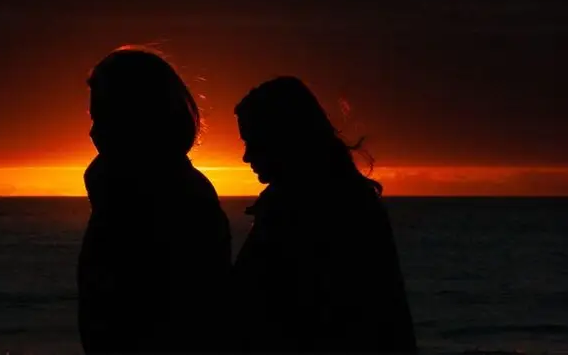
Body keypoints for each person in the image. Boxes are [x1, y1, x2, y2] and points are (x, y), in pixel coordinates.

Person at [231, 76, 417, 353]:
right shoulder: (346, 200)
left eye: (253, 141)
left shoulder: (302, 213)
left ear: (284, 139)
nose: (246, 157)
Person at [78, 46, 232, 353]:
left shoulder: (174, 200)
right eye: (94, 118)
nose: (93, 132)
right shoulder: (119, 193)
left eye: (105, 117)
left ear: (139, 117)